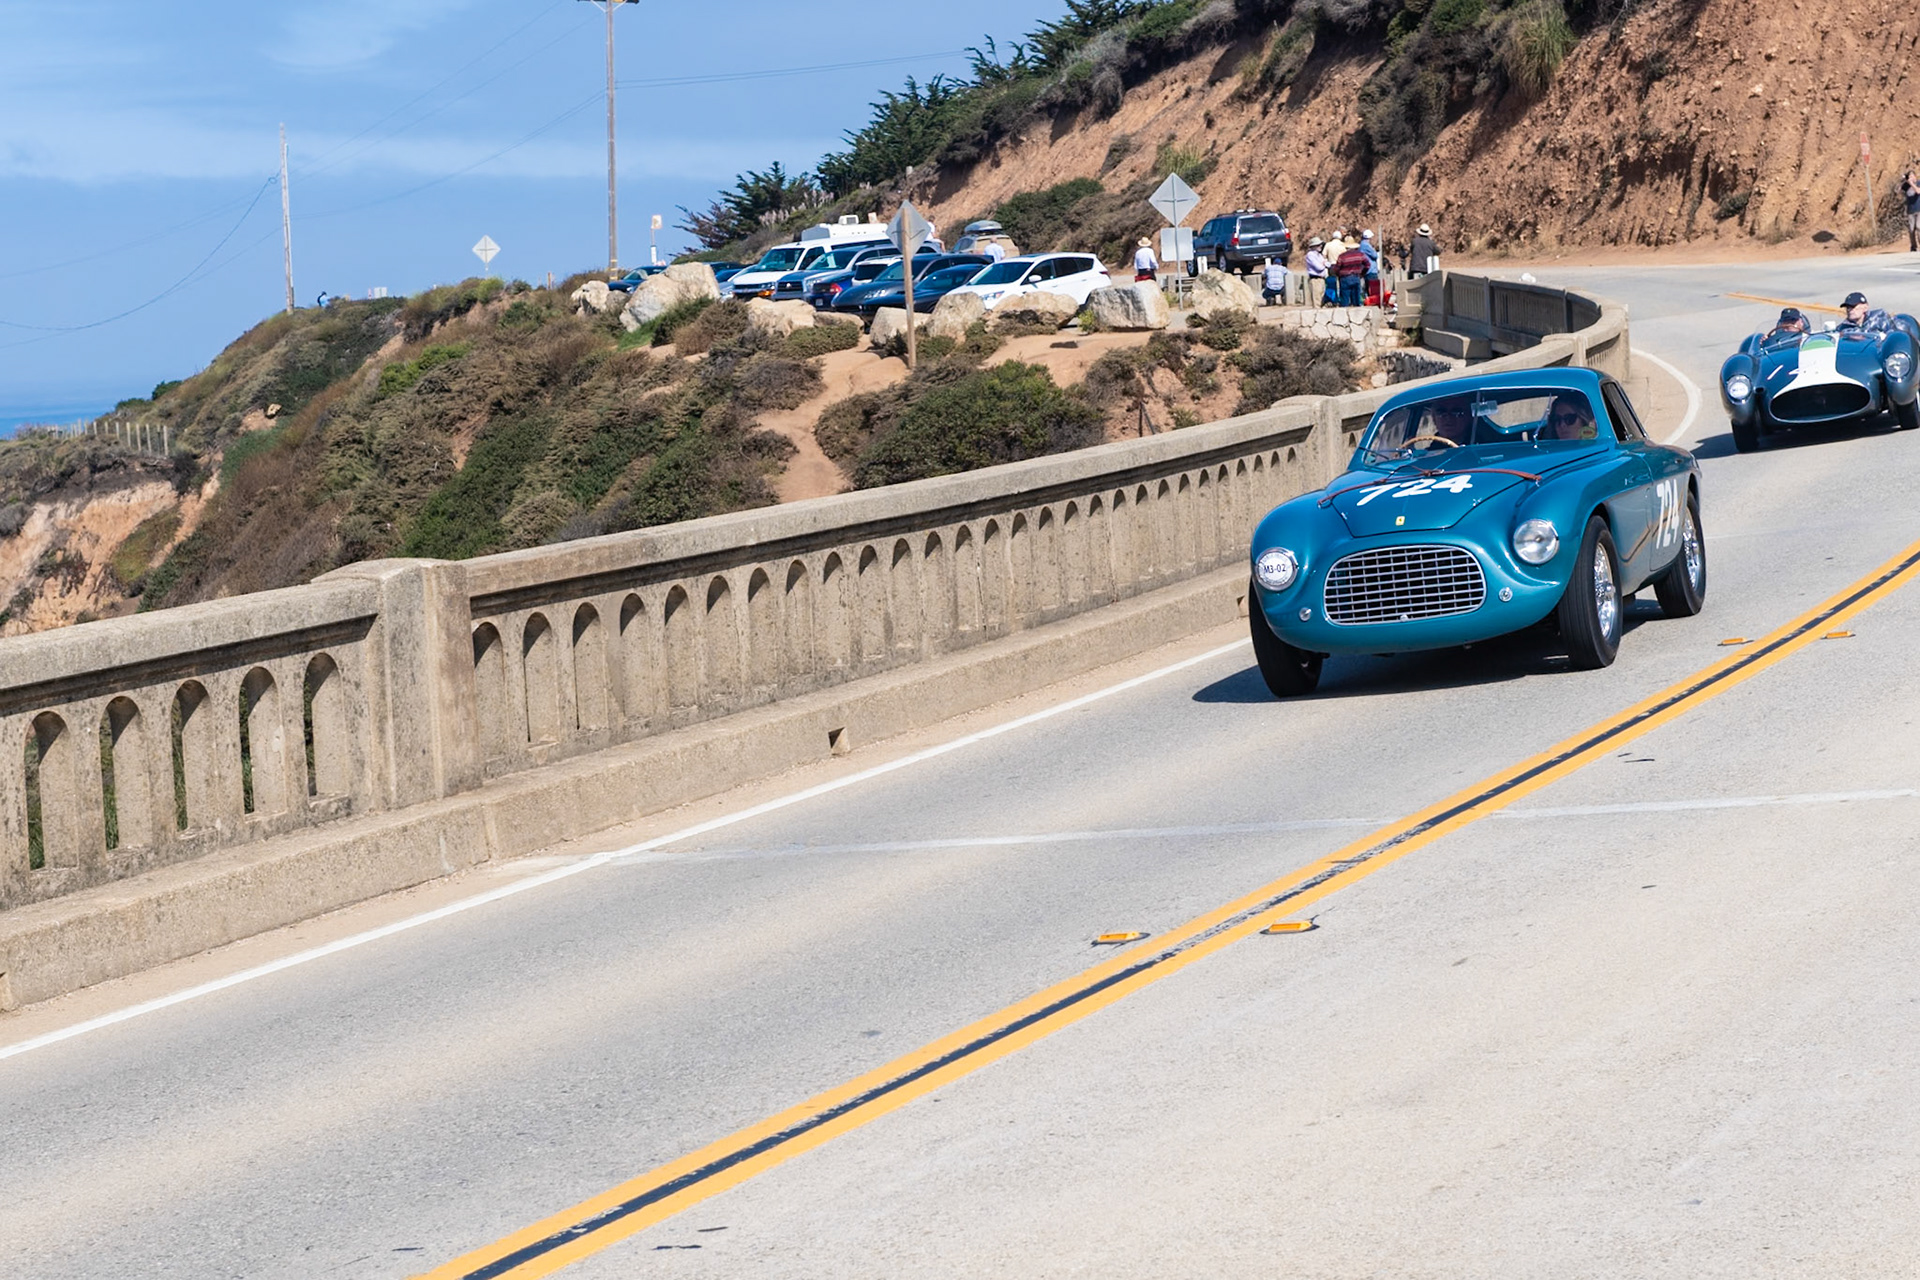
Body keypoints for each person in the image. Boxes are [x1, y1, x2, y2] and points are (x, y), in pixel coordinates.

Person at [1333, 241, 1370, 307]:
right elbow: (1367, 265)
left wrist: (1339, 274)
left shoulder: (1342, 256)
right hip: (1356, 277)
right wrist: (1362, 273)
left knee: (1345, 299)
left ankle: (1344, 313)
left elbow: (1337, 268)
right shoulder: (1360, 255)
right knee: (1356, 298)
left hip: (1345, 278)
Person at [1904, 170, 1920, 252]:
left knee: (1919, 227)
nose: (1911, 177)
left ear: (1915, 176)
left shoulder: (1918, 183)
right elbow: (1897, 191)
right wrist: (1903, 182)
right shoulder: (1906, 186)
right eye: (1909, 176)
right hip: (1910, 211)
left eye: (1912, 176)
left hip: (1919, 209)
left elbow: (1918, 191)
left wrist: (1912, 184)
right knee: (1911, 229)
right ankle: (1913, 246)